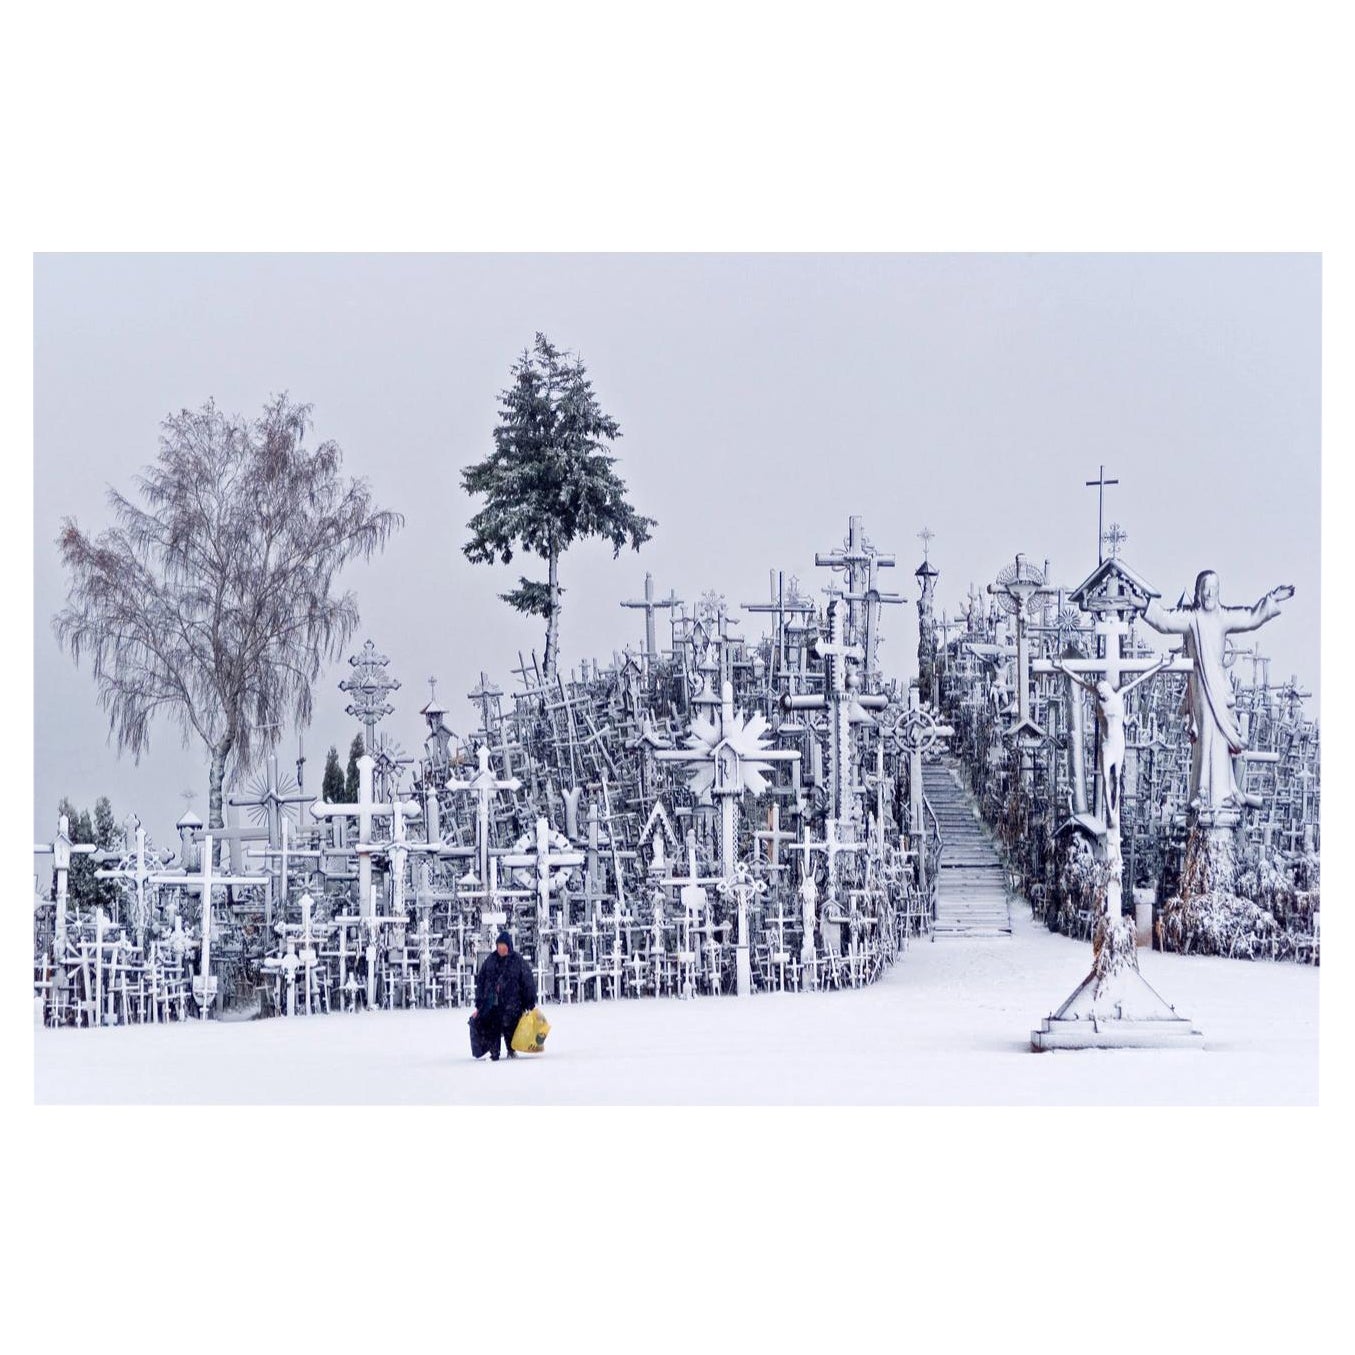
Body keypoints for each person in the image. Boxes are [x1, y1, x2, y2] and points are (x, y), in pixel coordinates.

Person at [1141, 571, 1293, 812]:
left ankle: (1222, 791)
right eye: (1206, 588)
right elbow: (1165, 622)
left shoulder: (1224, 617)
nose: (1210, 593)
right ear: (1199, 592)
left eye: (1214, 588)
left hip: (1219, 688)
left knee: (1220, 741)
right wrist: (1144, 605)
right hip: (1201, 687)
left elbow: (1252, 617)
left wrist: (1272, 599)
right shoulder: (1192, 618)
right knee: (1206, 737)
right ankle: (1202, 791)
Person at [471, 931, 537, 1061]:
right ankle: (494, 1053)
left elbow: (527, 981)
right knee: (493, 1026)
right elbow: (481, 982)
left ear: (509, 946)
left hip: (513, 1004)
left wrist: (530, 1001)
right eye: (499, 945)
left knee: (511, 1026)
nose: (501, 948)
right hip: (493, 1004)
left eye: (503, 945)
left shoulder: (517, 961)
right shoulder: (490, 961)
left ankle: (511, 1050)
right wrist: (480, 1004)